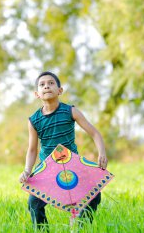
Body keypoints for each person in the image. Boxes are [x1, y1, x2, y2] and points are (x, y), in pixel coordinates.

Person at [19, 71, 108, 229]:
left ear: (60, 90)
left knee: (95, 194)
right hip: (47, 168)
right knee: (34, 203)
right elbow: (32, 150)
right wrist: (27, 170)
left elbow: (94, 133)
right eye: (42, 84)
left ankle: (79, 226)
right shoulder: (34, 120)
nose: (46, 86)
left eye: (51, 83)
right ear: (36, 94)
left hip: (72, 165)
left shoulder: (70, 111)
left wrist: (102, 152)